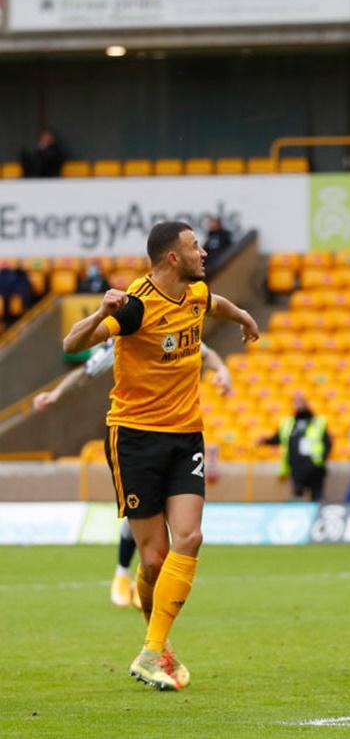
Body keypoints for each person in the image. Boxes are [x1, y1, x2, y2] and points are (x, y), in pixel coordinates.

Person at [62, 220, 260, 691]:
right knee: (154, 559)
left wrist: (246, 319)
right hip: (135, 439)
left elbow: (220, 304)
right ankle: (158, 643)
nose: (204, 254)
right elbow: (72, 343)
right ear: (173, 257)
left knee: (189, 537)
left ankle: (152, 651)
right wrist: (97, 313)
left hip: (186, 435)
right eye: (196, 248)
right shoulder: (135, 307)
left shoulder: (195, 294)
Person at [32, 337, 232, 608]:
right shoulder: (127, 335)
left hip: (179, 436)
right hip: (138, 442)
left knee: (182, 528)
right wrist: (56, 394)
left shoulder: (182, 320)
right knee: (143, 518)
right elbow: (86, 370)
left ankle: (146, 591)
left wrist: (222, 370)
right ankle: (124, 573)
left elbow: (207, 353)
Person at [260, 392, 332, 502]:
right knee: (297, 493)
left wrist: (323, 457)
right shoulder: (288, 423)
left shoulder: (317, 422)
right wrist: (265, 441)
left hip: (314, 464)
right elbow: (278, 438)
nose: (298, 405)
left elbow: (327, 442)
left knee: (317, 495)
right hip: (296, 464)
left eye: (301, 402)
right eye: (296, 402)